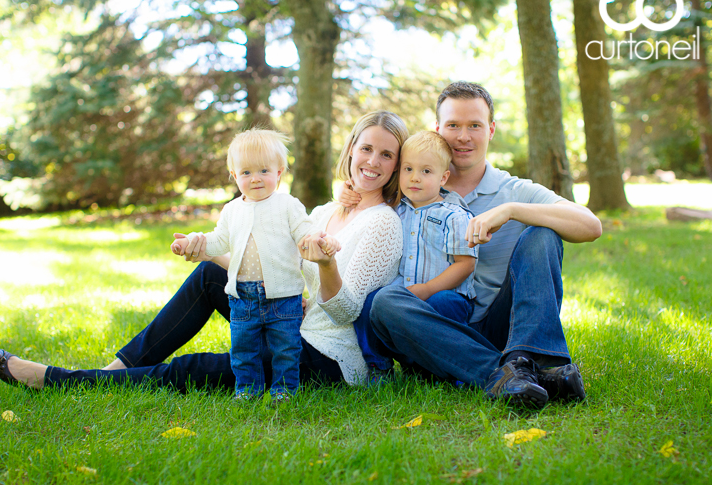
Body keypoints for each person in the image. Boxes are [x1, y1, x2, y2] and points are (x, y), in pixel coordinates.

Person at [0, 111, 408, 393]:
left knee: (198, 369)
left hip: (330, 357)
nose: (372, 161)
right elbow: (268, 267)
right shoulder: (325, 211)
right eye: (366, 148)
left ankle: (66, 381)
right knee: (211, 277)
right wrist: (206, 250)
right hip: (289, 319)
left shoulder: (383, 224)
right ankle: (117, 368)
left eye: (387, 154)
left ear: (396, 166)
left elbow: (346, 313)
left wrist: (327, 264)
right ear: (350, 149)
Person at [346, 82, 603, 408]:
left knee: (543, 234)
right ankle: (513, 375)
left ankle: (529, 359)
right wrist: (348, 193)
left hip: (501, 329)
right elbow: (362, 198)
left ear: (490, 130)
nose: (463, 136)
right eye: (453, 125)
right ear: (438, 128)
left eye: (475, 126)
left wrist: (511, 211)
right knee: (385, 302)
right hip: (430, 327)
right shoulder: (412, 186)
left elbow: (591, 226)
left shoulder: (512, 190)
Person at [170, 128, 340, 400]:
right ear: (235, 176)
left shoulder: (287, 205)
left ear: (279, 173)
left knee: (286, 348)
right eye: (246, 173)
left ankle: (284, 389)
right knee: (243, 348)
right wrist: (192, 242)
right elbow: (218, 240)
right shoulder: (232, 210)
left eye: (263, 170)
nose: (256, 178)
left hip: (283, 297)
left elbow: (305, 231)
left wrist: (320, 240)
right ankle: (247, 389)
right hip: (243, 297)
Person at [354, 131, 477, 380]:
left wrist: (428, 289)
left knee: (442, 304)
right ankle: (378, 365)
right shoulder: (395, 209)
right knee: (369, 301)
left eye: (426, 172)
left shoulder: (454, 215)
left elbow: (465, 265)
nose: (415, 178)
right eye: (408, 169)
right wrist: (350, 191)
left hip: (446, 296)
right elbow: (363, 198)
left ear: (443, 177)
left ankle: (441, 368)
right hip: (402, 296)